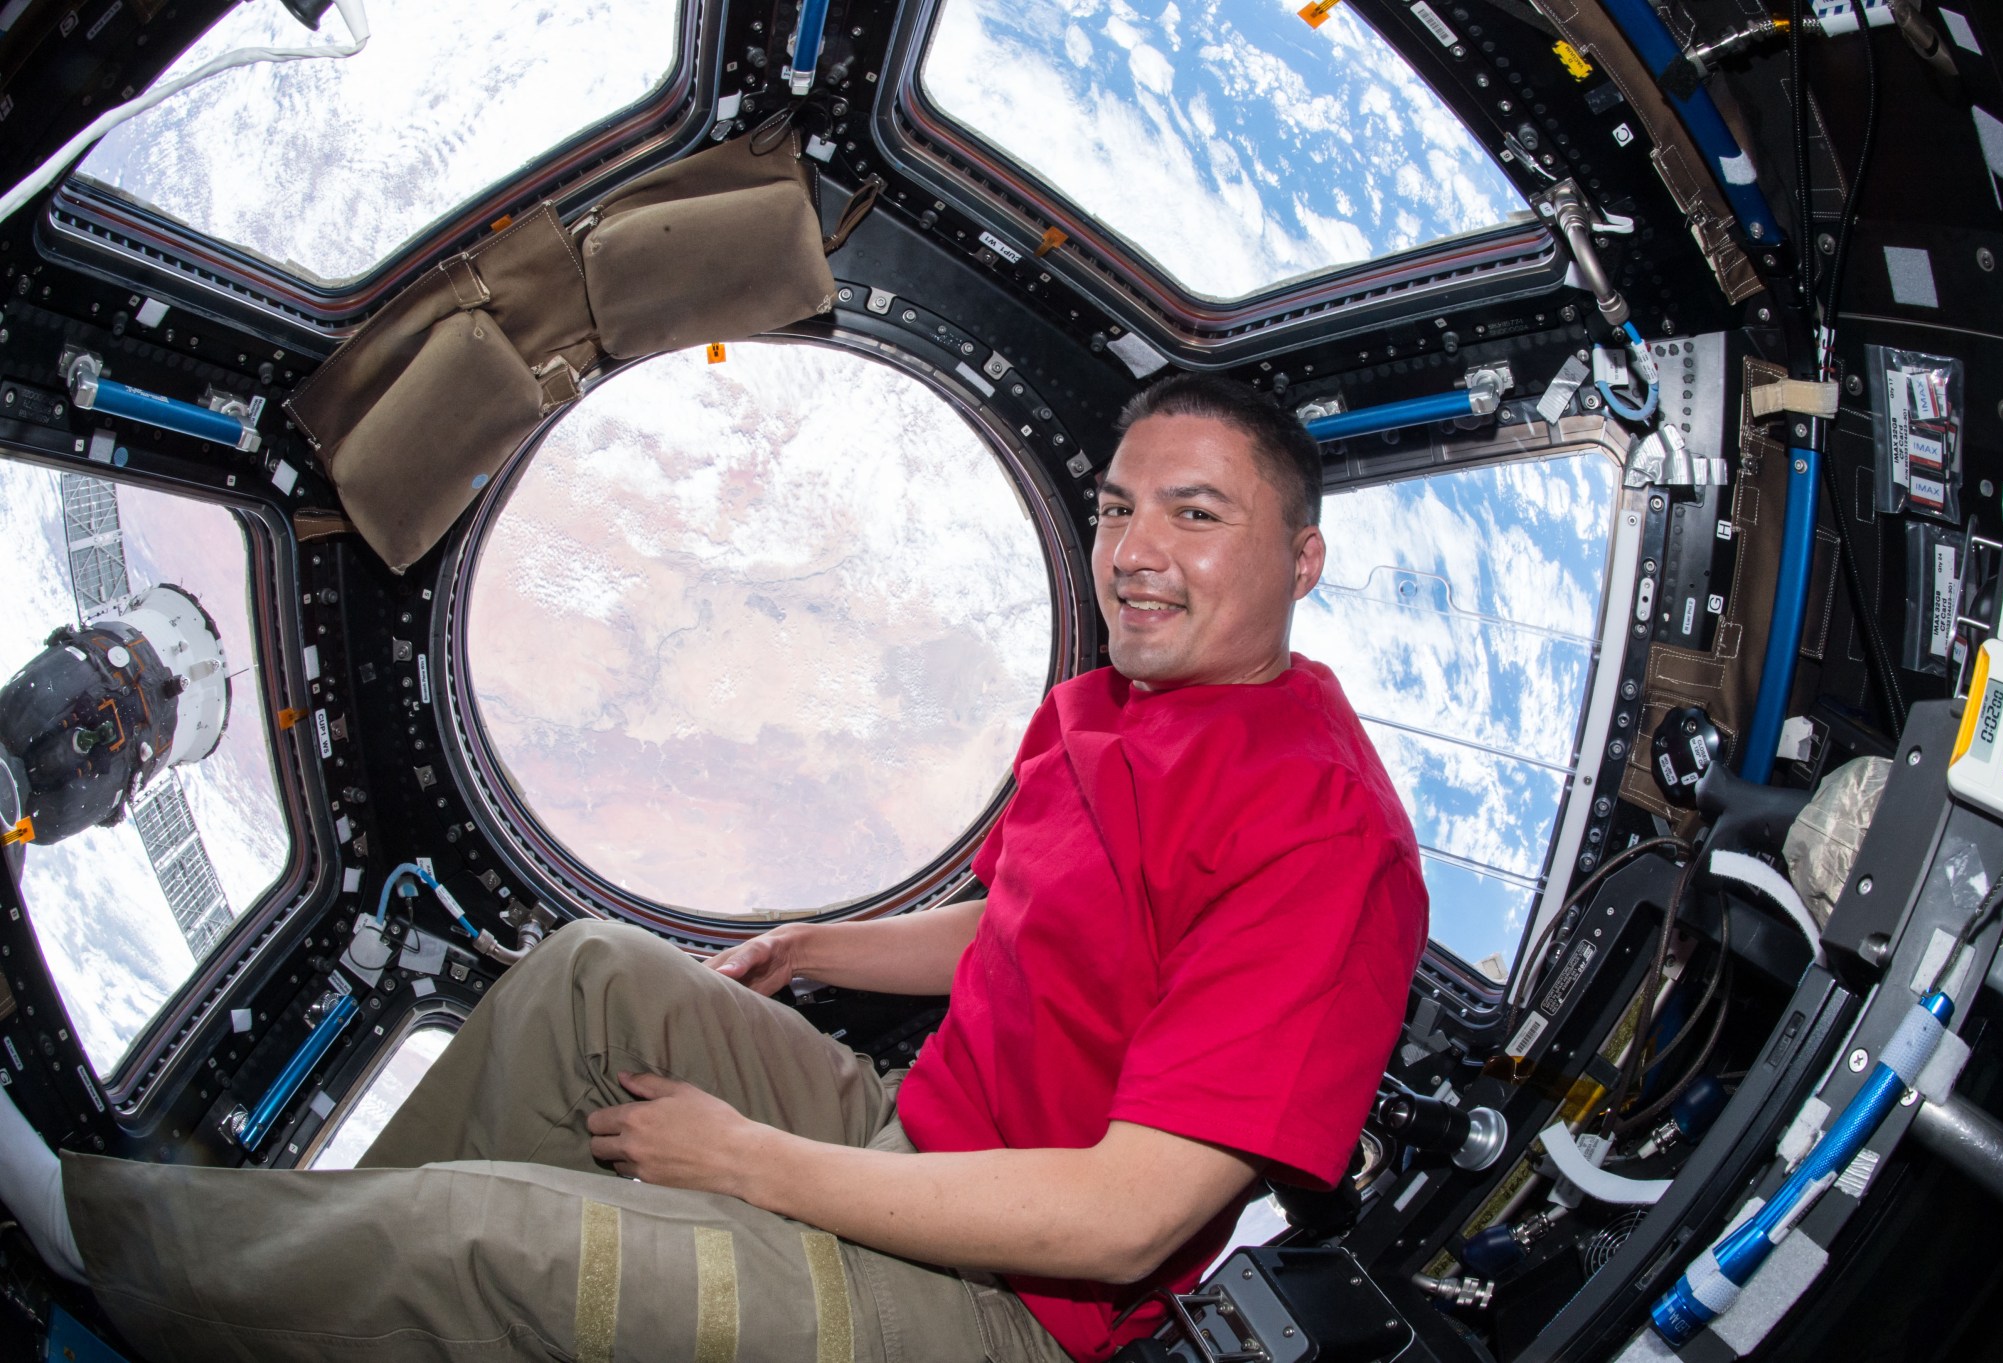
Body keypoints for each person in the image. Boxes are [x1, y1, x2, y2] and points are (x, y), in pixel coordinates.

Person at [0, 374, 1427, 1363]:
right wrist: (812, 944)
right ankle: (328, 1289)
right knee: (592, 980)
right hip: (917, 1134)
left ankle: (103, 1250)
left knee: (513, 1245)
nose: (1133, 553)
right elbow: (1015, 927)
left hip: (1004, 1314)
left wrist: (747, 1163)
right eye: (1118, 510)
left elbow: (1127, 1225)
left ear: (1302, 562)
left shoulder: (1327, 836)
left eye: (1195, 515)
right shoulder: (1112, 711)